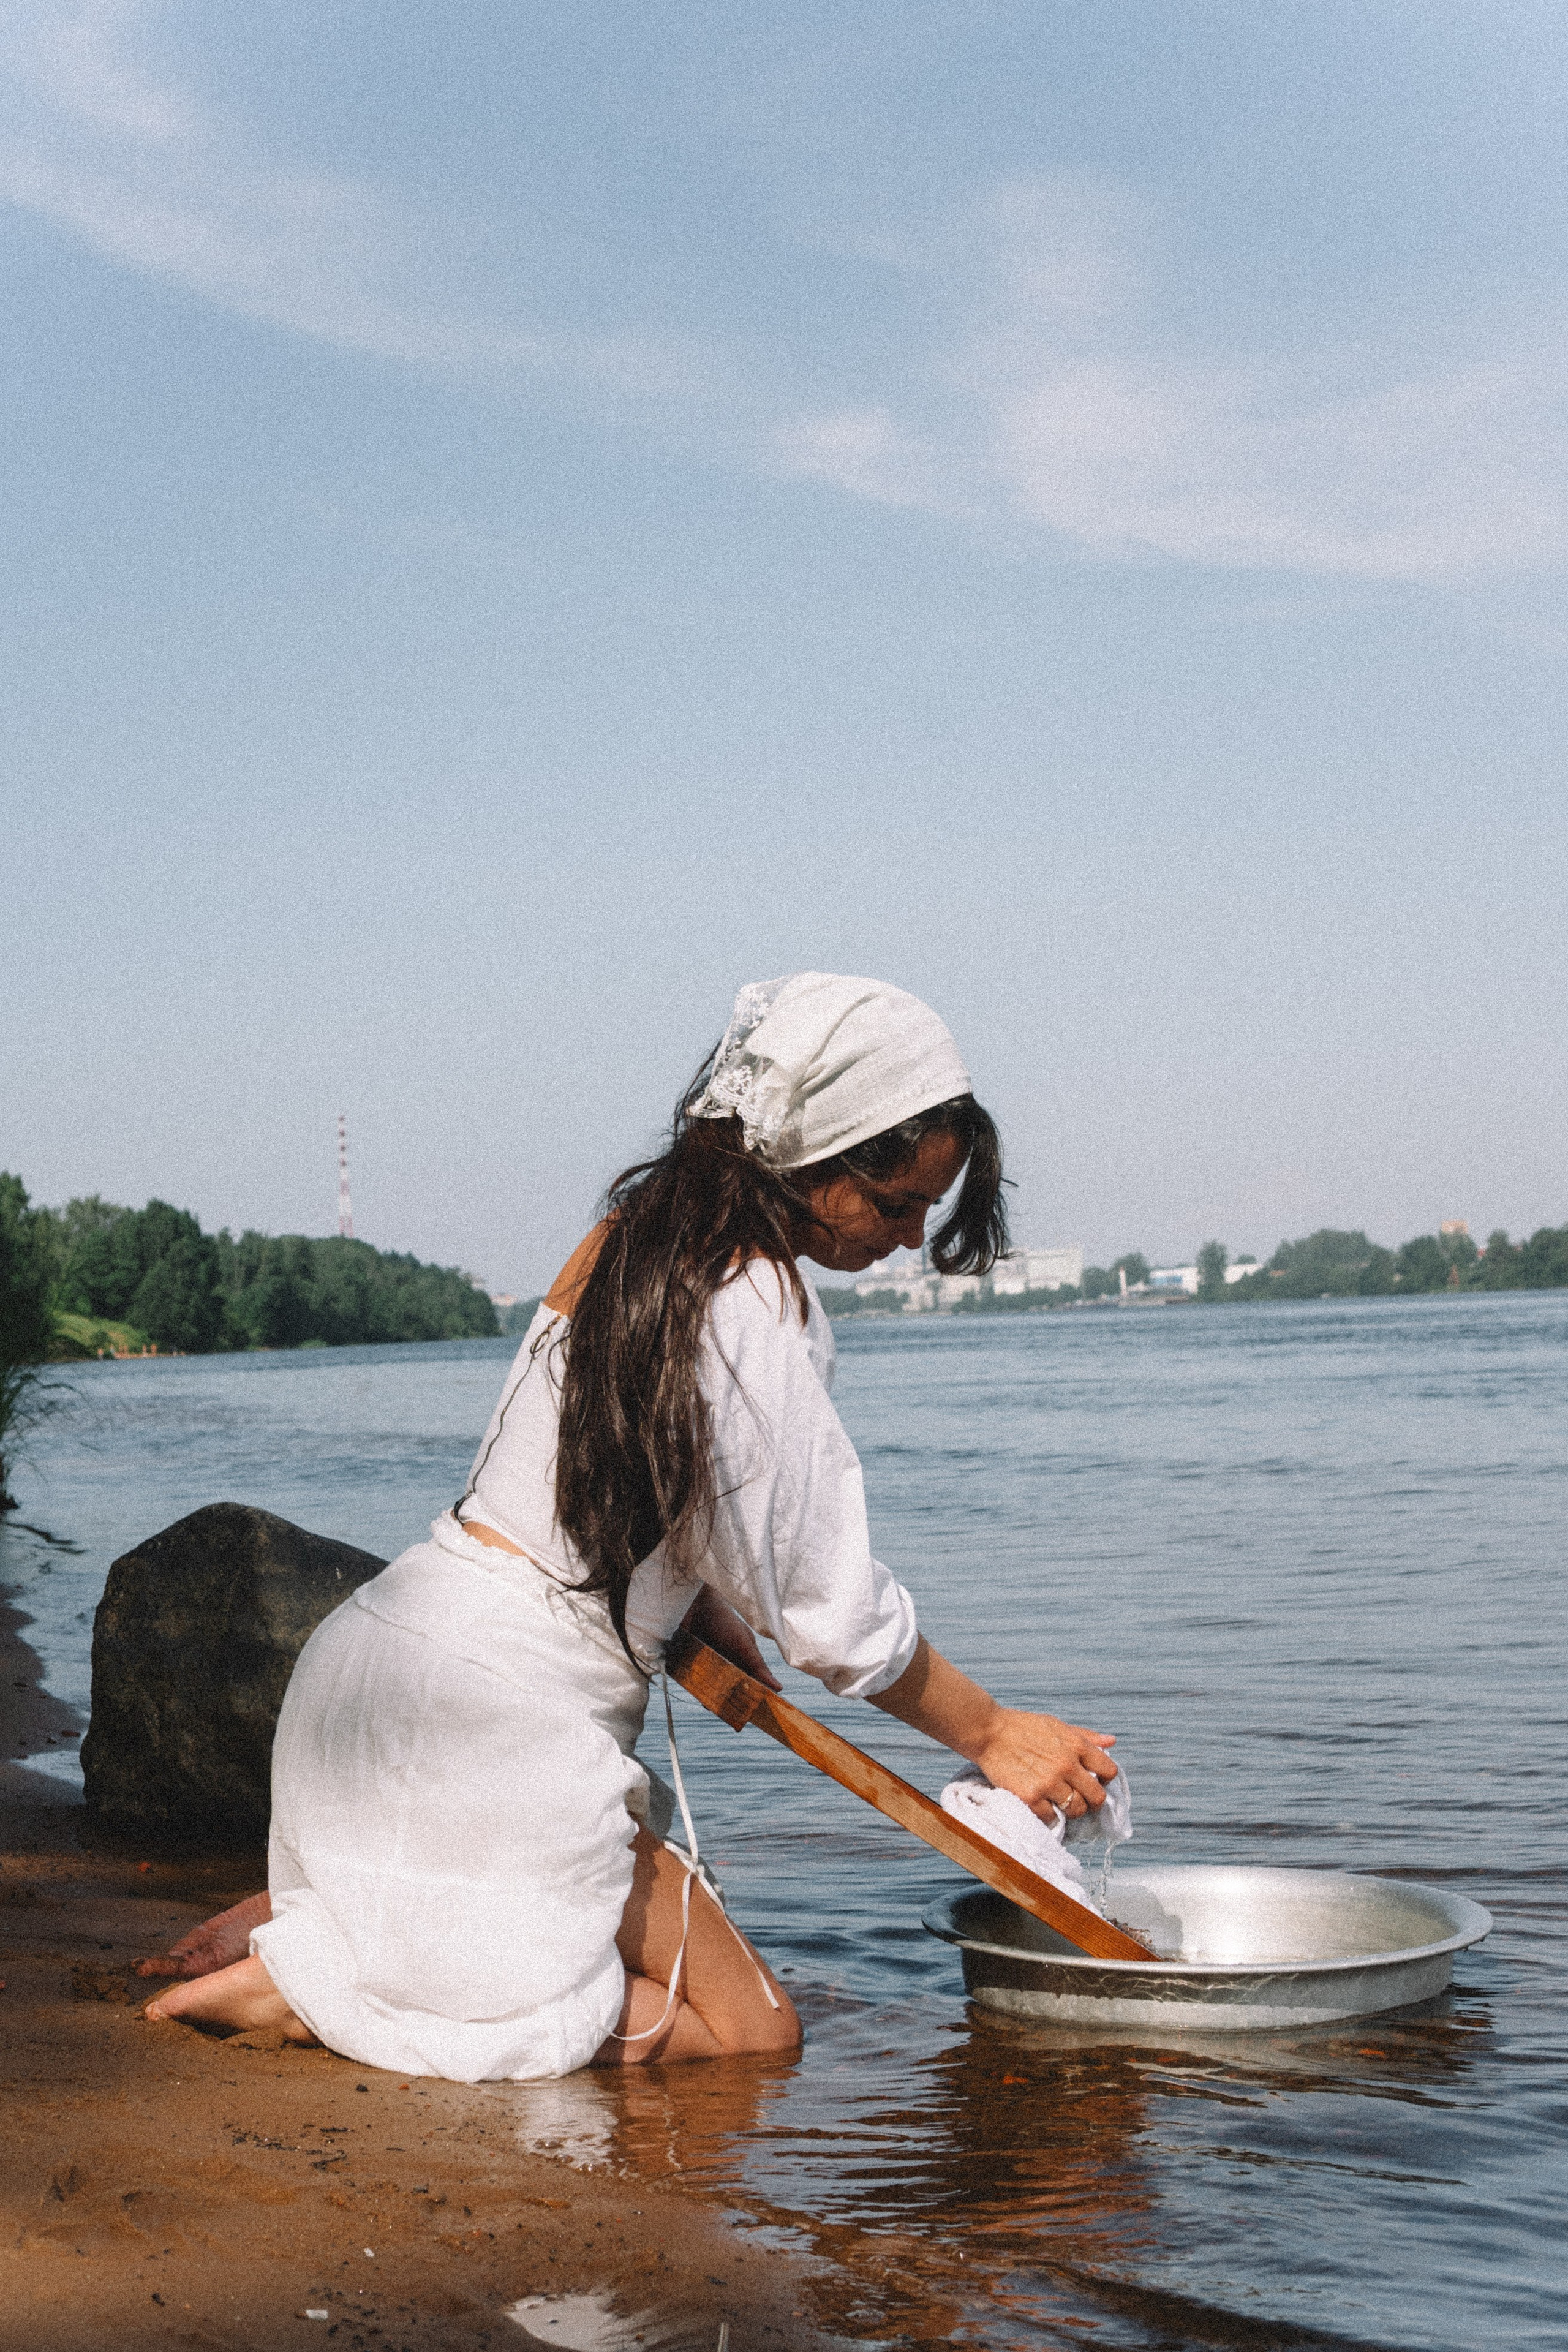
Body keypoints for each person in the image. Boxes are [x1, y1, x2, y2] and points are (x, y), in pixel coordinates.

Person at [142, 973, 1118, 2076]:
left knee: (618, 1966)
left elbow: (589, 1485)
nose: (909, 1237)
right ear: (816, 1161)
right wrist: (993, 1733)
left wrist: (694, 1595)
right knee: (756, 2038)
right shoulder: (757, 1304)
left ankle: (351, 1925)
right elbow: (835, 1620)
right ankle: (317, 1990)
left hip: (372, 1671)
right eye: (897, 1206)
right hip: (492, 1735)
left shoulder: (631, 1240)